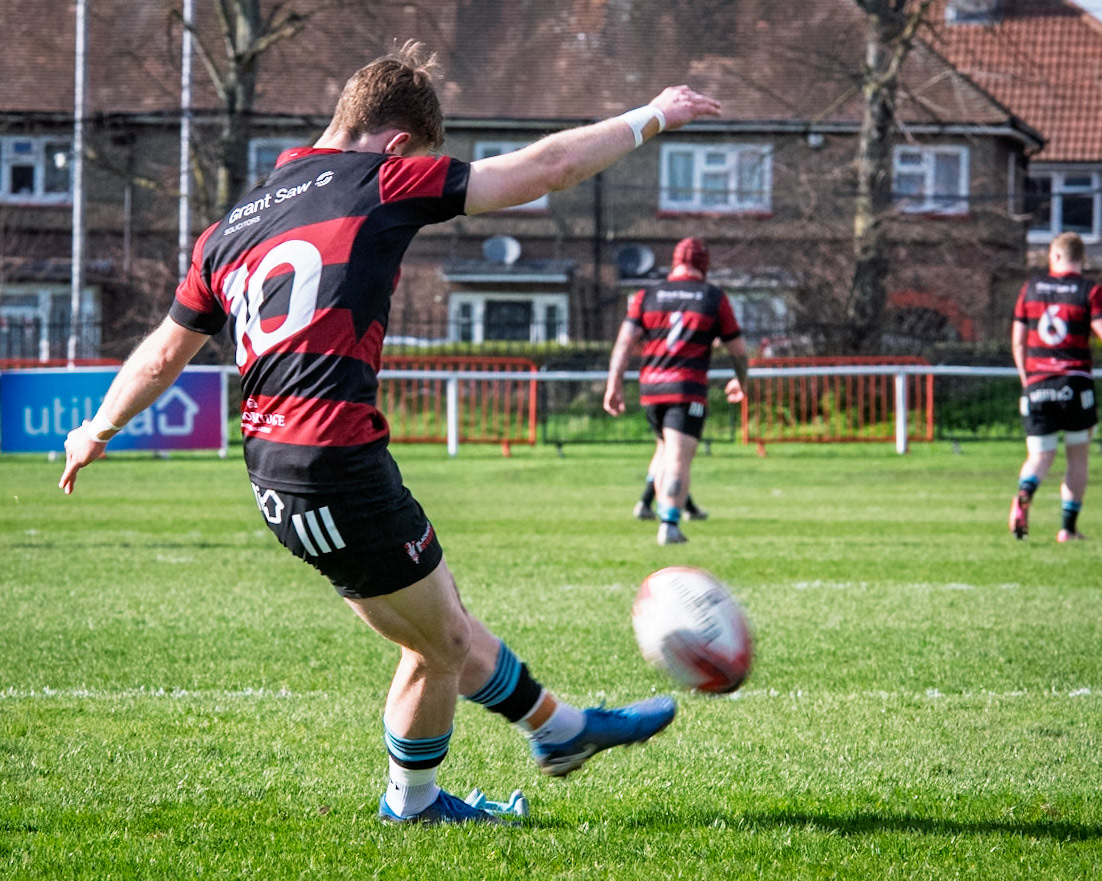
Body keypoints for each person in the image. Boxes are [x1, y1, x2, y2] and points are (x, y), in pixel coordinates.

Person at [58, 42, 721, 825]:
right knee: (440, 637)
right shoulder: (380, 178)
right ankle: (485, 771)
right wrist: (653, 116)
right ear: (398, 142)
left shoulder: (230, 226)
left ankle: (530, 746)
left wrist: (97, 425)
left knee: (433, 629)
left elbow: (166, 349)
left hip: (275, 467)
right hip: (333, 453)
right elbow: (544, 169)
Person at [603, 237, 748, 545]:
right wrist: (741, 380)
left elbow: (624, 342)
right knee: (679, 458)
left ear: (674, 262)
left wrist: (613, 382)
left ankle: (650, 503)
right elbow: (737, 349)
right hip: (687, 389)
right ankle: (669, 522)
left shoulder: (646, 295)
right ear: (704, 265)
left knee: (666, 450)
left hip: (651, 389)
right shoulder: (712, 298)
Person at [1009, 232, 1102, 542]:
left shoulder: (1031, 289)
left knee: (1039, 455)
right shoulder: (1089, 291)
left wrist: (1027, 379)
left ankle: (1025, 493)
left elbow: (1018, 340)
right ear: (1081, 259)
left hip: (1037, 384)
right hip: (1075, 384)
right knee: (1077, 457)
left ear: (1056, 256)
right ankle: (1068, 529)